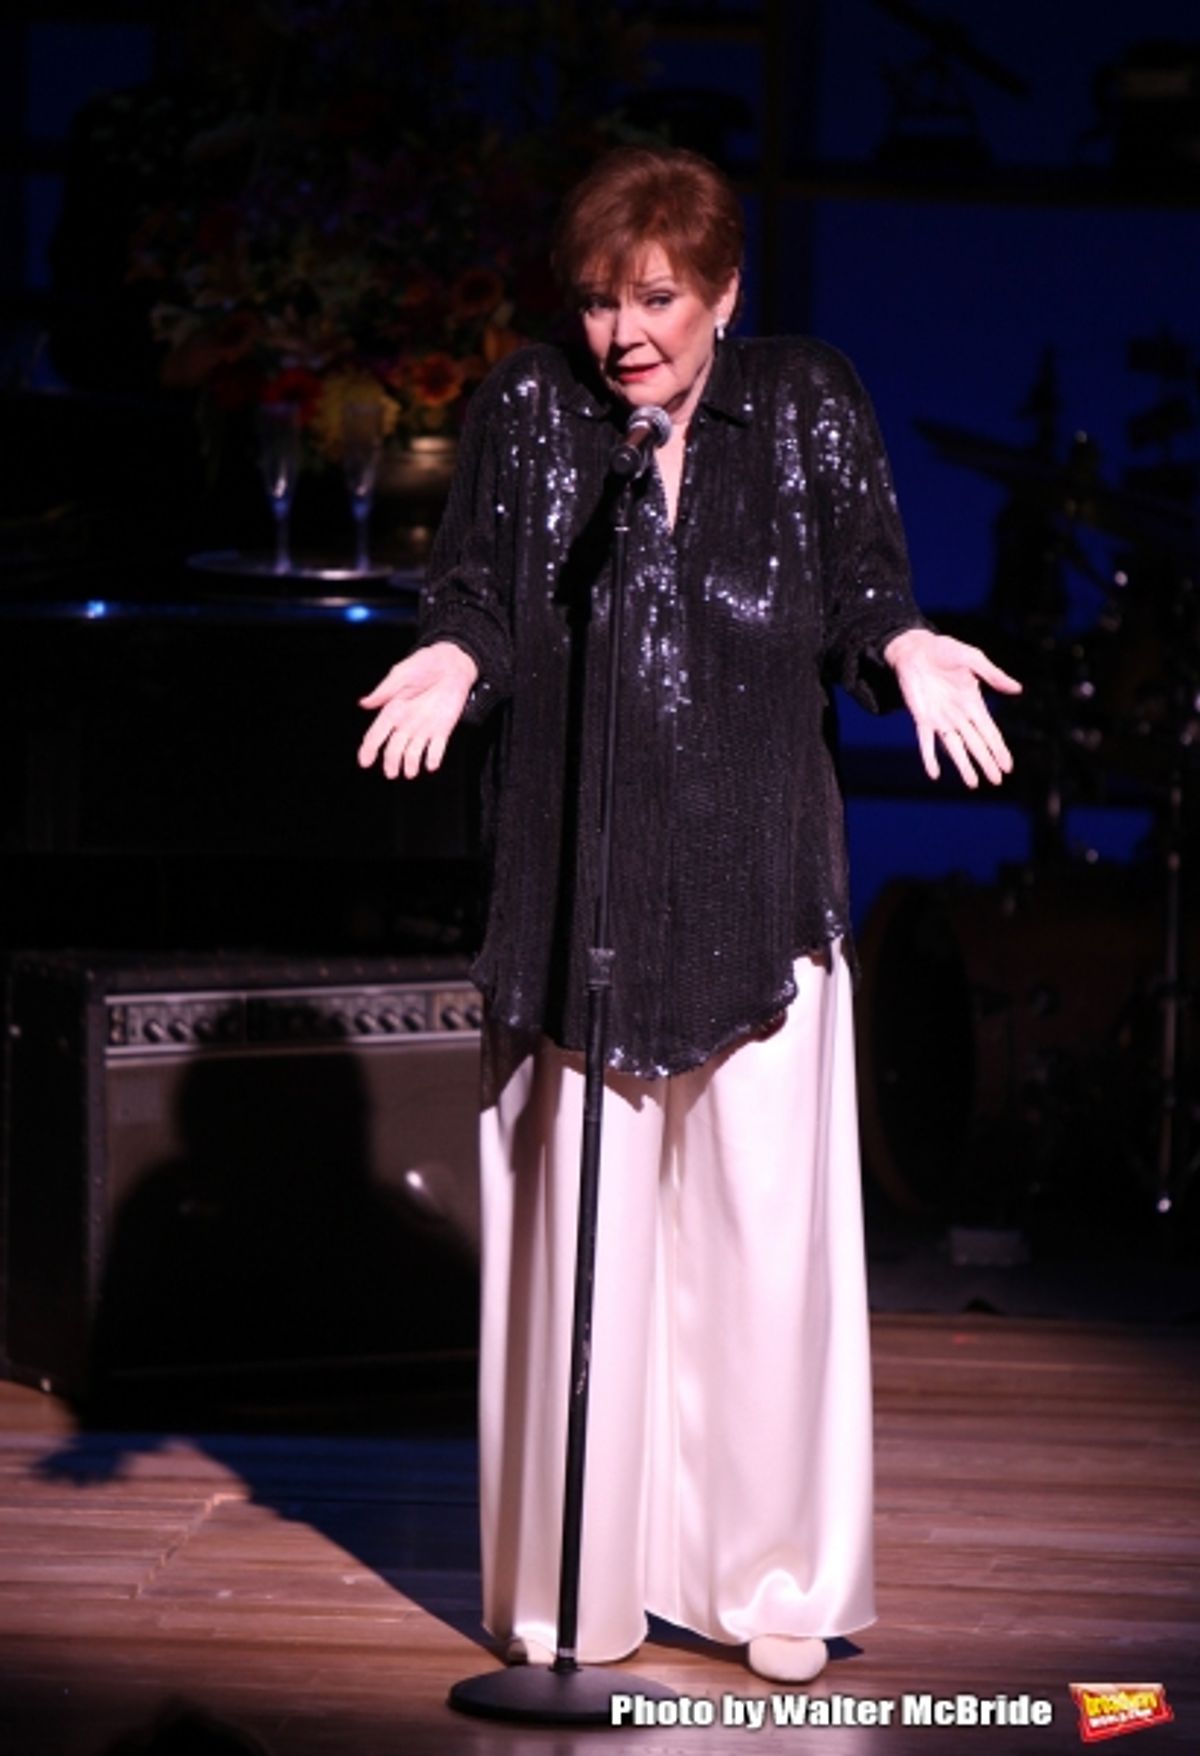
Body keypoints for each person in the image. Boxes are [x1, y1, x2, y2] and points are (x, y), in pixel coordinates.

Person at [357, 145, 1019, 1684]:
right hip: (573, 900)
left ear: (724, 291)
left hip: (758, 896)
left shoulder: (805, 402)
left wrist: (909, 648)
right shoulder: (532, 410)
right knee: (577, 1275)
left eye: (656, 298)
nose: (624, 332)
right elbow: (479, 596)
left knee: (761, 1264)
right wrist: (453, 656)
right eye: (599, 300)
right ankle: (575, 1593)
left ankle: (771, 1583)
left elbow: (862, 596)